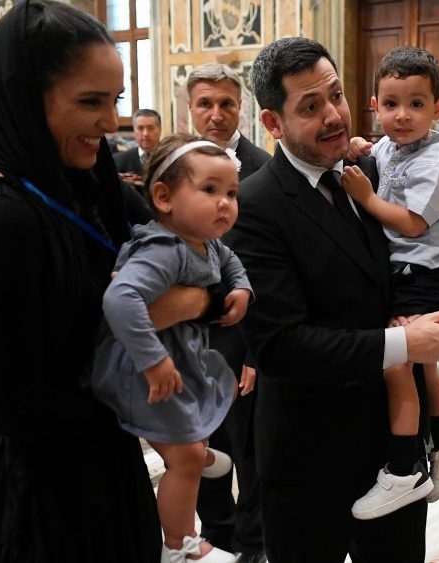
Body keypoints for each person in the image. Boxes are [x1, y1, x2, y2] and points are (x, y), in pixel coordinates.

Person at [0, 1, 179, 560]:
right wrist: (149, 396)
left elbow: (181, 251)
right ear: (25, 99)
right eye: (89, 102)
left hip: (100, 463)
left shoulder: (88, 187)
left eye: (114, 101)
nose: (110, 124)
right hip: (29, 495)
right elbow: (18, 406)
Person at [230, 36, 439, 562]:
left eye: (336, 95)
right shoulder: (255, 205)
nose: (334, 115)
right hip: (310, 459)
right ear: (272, 122)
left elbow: (426, 255)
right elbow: (280, 347)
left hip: (394, 454)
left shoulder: (377, 173)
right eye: (310, 107)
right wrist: (404, 343)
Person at [90, 133, 253, 563]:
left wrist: (241, 288)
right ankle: (180, 545)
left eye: (231, 193)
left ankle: (196, 450)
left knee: (200, 404)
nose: (225, 203)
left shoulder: (204, 240)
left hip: (175, 355)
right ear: (163, 197)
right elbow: (119, 300)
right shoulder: (164, 249)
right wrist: (153, 360)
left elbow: (229, 261)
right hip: (139, 367)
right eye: (210, 190)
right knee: (183, 458)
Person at [340, 46, 439, 520]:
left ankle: (404, 470)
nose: (403, 116)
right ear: (375, 105)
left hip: (428, 274)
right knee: (423, 366)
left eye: (416, 104)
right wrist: (359, 146)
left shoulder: (437, 164)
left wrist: (366, 197)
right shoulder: (391, 146)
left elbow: (412, 224)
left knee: (396, 363)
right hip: (410, 273)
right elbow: (373, 152)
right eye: (392, 104)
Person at [187, 61, 271, 562]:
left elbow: (269, 270)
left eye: (226, 103)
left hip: (244, 335)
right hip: (188, 333)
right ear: (191, 107)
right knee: (199, 442)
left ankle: (252, 541)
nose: (216, 114)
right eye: (205, 103)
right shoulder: (175, 165)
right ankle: (216, 532)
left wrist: (257, 352)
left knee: (248, 448)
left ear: (242, 108)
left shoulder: (263, 168)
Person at [114, 108, 162, 182]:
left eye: (151, 128)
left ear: (160, 130)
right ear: (134, 131)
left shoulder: (170, 159)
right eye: (140, 128)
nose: (145, 134)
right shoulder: (118, 161)